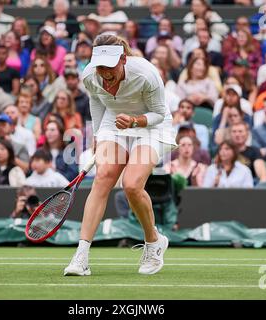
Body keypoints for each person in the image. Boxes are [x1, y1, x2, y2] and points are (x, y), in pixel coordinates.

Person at [63, 34, 176, 277]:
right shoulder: (90, 75)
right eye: (100, 66)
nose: (104, 73)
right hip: (113, 123)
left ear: (123, 59)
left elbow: (158, 112)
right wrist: (96, 135)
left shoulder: (146, 74)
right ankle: (81, 256)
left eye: (110, 66)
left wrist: (135, 121)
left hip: (150, 125)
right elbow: (96, 101)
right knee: (103, 177)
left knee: (132, 185)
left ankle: (153, 242)